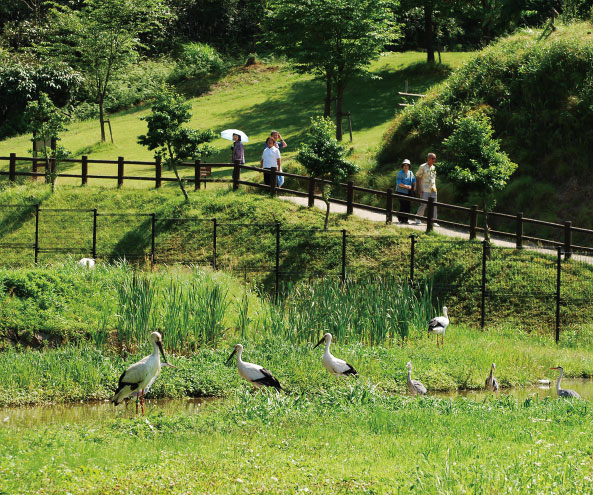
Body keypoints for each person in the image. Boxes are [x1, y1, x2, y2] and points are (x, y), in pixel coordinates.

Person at [415, 152, 439, 226]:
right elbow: (418, 177)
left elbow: (433, 178)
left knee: (434, 205)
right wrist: (419, 189)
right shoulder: (422, 166)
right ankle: (418, 218)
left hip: (433, 189)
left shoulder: (434, 167)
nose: (434, 160)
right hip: (425, 189)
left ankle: (434, 220)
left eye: (435, 158)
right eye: (432, 158)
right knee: (423, 204)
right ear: (428, 159)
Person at [396, 159, 416, 224]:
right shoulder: (400, 173)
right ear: (402, 166)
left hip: (408, 192)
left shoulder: (411, 173)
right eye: (404, 165)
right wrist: (407, 186)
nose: (406, 166)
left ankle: (406, 219)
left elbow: (414, 179)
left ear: (409, 166)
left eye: (407, 165)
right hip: (401, 191)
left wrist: (415, 186)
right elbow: (399, 183)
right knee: (403, 205)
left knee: (408, 206)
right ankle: (401, 219)